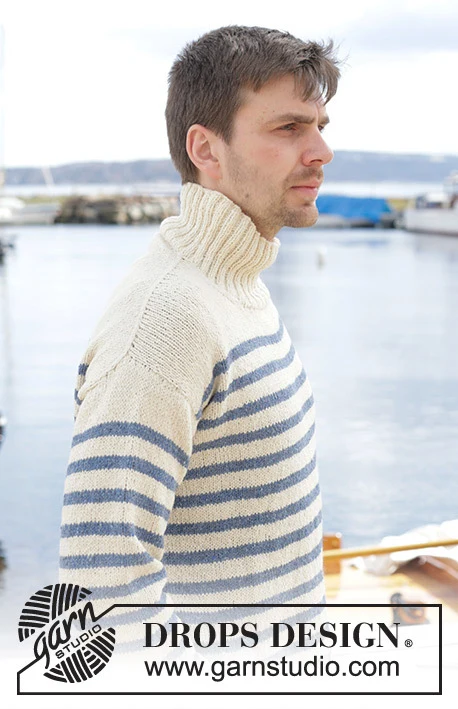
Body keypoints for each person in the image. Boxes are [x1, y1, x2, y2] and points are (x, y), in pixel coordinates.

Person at [59, 25, 340, 649]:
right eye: (289, 128)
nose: (321, 150)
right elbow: (102, 592)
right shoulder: (164, 320)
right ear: (206, 149)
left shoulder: (234, 284)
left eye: (321, 126)